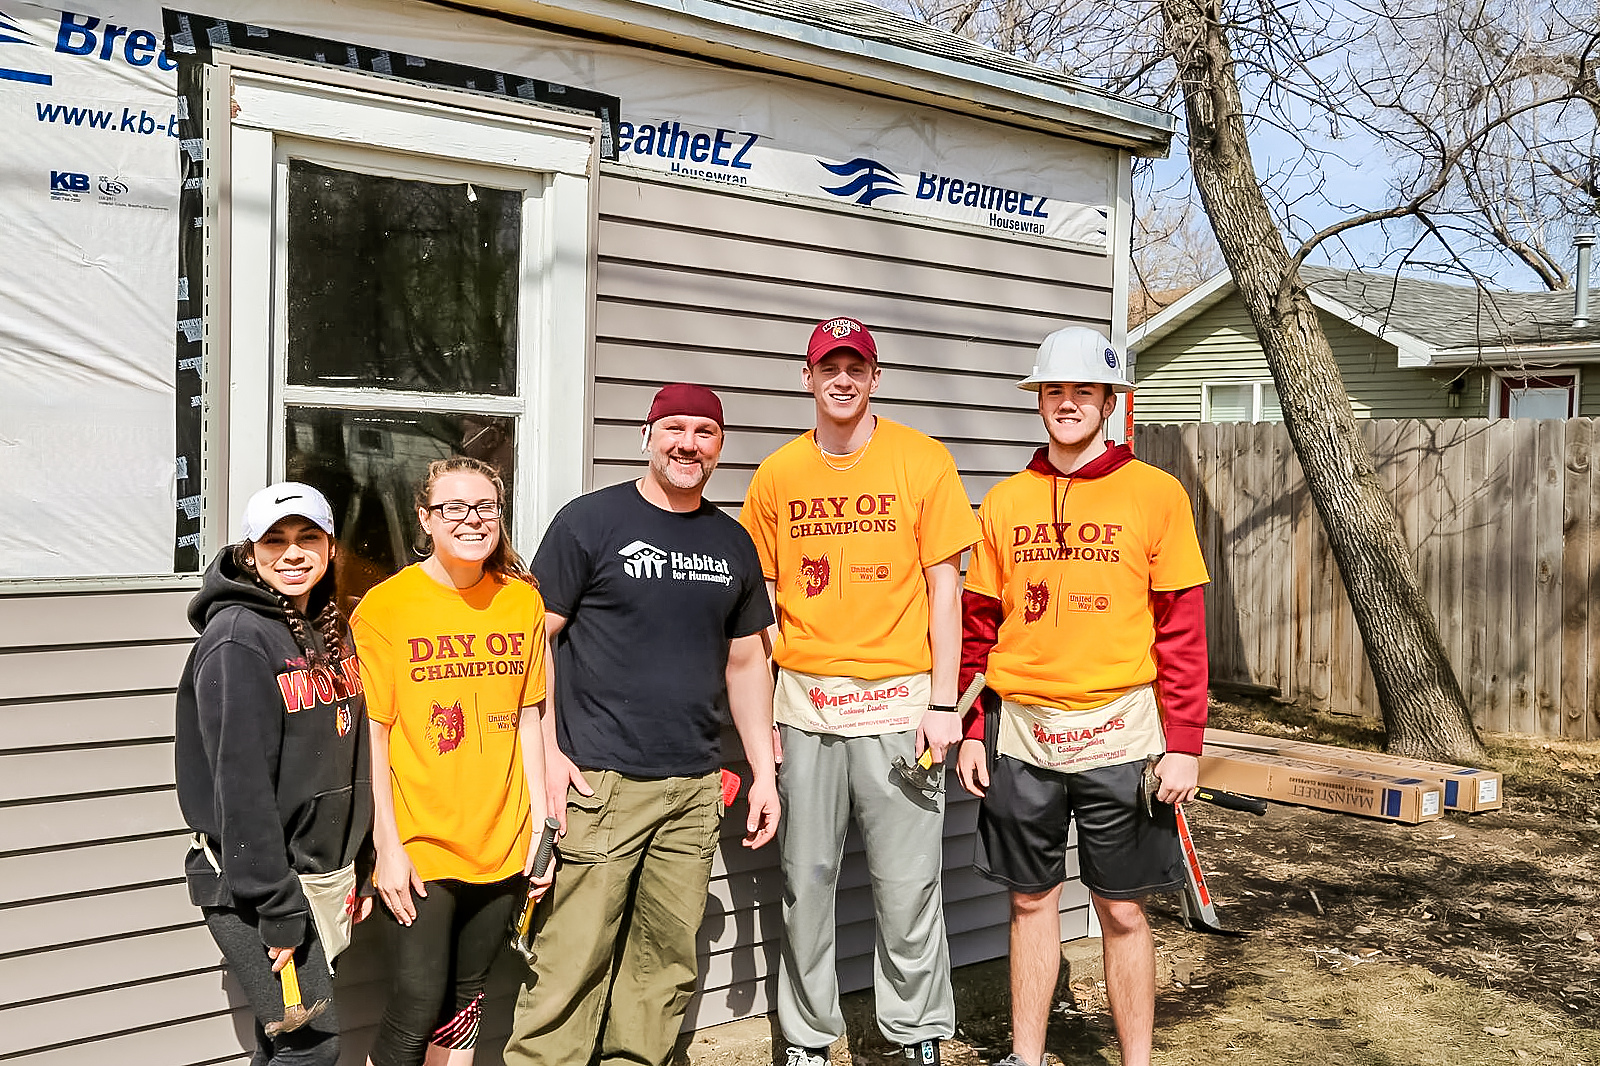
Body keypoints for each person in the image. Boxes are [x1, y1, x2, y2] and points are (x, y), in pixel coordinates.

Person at [954, 327, 1210, 1066]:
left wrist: (1186, 745)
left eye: (1083, 392)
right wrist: (972, 728)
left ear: (1108, 401)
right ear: (1040, 401)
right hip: (1022, 734)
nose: (1067, 404)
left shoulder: (1157, 496)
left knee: (1122, 908)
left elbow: (1181, 632)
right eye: (1054, 392)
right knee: (1030, 901)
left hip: (1121, 734)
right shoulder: (1004, 501)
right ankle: (1026, 1059)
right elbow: (978, 626)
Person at [502, 382, 779, 1066]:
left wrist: (764, 774)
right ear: (648, 436)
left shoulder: (732, 542)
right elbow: (534, 639)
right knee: (570, 963)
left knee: (663, 968)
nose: (689, 444)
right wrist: (549, 752)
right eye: (675, 429)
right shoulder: (589, 523)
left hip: (692, 790)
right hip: (600, 782)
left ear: (719, 447)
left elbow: (747, 666)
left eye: (705, 433)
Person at [740, 317, 980, 1066]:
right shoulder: (777, 475)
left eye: (856, 368)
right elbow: (762, 598)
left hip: (902, 710)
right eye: (828, 367)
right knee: (805, 884)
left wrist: (945, 705)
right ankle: (808, 1040)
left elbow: (948, 590)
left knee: (909, 886)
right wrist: (779, 695)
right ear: (806, 378)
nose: (841, 380)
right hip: (807, 710)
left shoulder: (922, 460)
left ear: (875, 379)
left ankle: (915, 1033)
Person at [352, 457, 554, 1066]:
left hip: (503, 838)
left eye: (485, 507)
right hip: (420, 843)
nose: (471, 520)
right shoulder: (386, 609)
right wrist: (386, 846)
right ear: (425, 518)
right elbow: (376, 737)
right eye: (453, 508)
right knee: (416, 1002)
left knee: (467, 1002)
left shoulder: (522, 604)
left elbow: (529, 721)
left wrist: (541, 825)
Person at [175, 481, 372, 1066]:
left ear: (332, 547)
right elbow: (240, 787)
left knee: (283, 1045)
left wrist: (356, 863)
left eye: (307, 537)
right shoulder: (237, 637)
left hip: (319, 877)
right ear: (249, 552)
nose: (292, 553)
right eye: (275, 541)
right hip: (260, 887)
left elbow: (348, 756)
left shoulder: (332, 629)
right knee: (309, 1048)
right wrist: (277, 909)